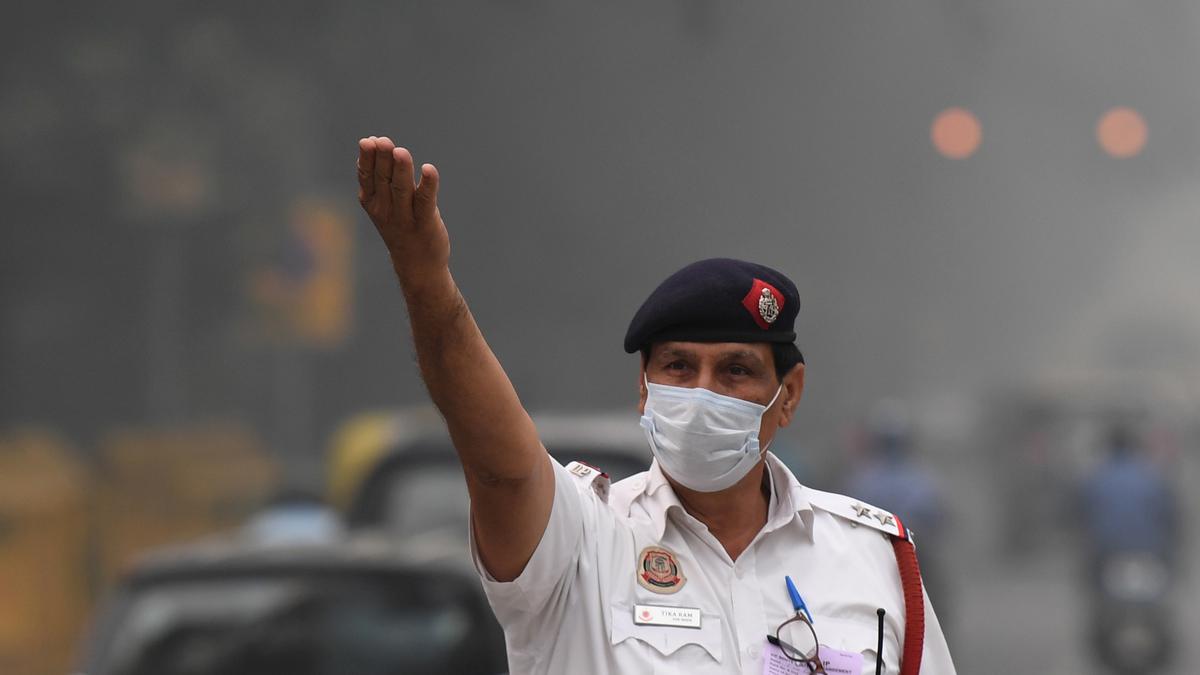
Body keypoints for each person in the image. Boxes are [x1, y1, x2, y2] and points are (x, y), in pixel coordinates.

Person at [355, 135, 956, 674]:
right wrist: (424, 277)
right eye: (677, 366)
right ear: (644, 386)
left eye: (736, 371)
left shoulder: (875, 558)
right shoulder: (580, 544)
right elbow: (498, 464)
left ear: (788, 395)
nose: (701, 392)